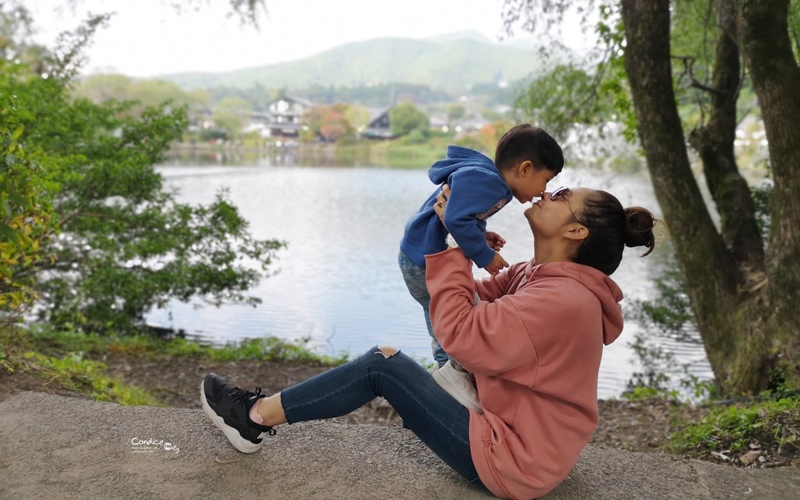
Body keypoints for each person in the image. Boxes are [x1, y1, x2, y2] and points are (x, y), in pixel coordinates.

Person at [201, 185, 656, 500]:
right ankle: (256, 414)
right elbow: (470, 300)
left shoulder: (564, 299)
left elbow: (460, 335)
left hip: (515, 459)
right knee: (395, 362)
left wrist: (457, 246)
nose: (544, 193)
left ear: (576, 232)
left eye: (560, 197)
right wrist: (462, 236)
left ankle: (252, 418)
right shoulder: (537, 275)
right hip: (516, 432)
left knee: (384, 364)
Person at [398, 124, 563, 411]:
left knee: (443, 314)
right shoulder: (489, 182)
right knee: (453, 319)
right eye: (545, 180)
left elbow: (461, 217)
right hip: (423, 260)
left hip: (419, 254)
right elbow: (456, 220)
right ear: (525, 169)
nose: (543, 192)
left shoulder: (487, 180)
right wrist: (484, 257)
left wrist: (481, 238)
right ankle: (451, 372)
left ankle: (449, 372)